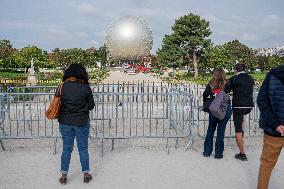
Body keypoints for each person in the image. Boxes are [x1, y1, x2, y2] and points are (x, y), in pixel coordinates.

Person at [58, 63, 95, 185]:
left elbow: (58, 104)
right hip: (81, 122)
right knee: (83, 148)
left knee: (66, 148)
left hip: (65, 121)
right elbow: (91, 106)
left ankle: (64, 175)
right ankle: (86, 173)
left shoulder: (62, 86)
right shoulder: (85, 87)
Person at [257, 65, 284, 189]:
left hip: (273, 130)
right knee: (266, 167)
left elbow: (262, 100)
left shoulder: (272, 74)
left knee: (266, 167)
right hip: (274, 129)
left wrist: (275, 124)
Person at [203, 68, 232, 159]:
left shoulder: (211, 83)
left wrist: (207, 102)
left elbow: (205, 94)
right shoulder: (227, 83)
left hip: (214, 108)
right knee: (221, 131)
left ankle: (207, 152)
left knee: (210, 130)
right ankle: (218, 154)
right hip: (224, 108)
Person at [229, 63, 254, 161]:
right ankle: (242, 135)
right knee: (241, 122)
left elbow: (226, 89)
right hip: (249, 105)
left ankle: (242, 154)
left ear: (236, 69)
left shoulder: (234, 78)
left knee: (238, 129)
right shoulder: (250, 78)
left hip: (238, 106)